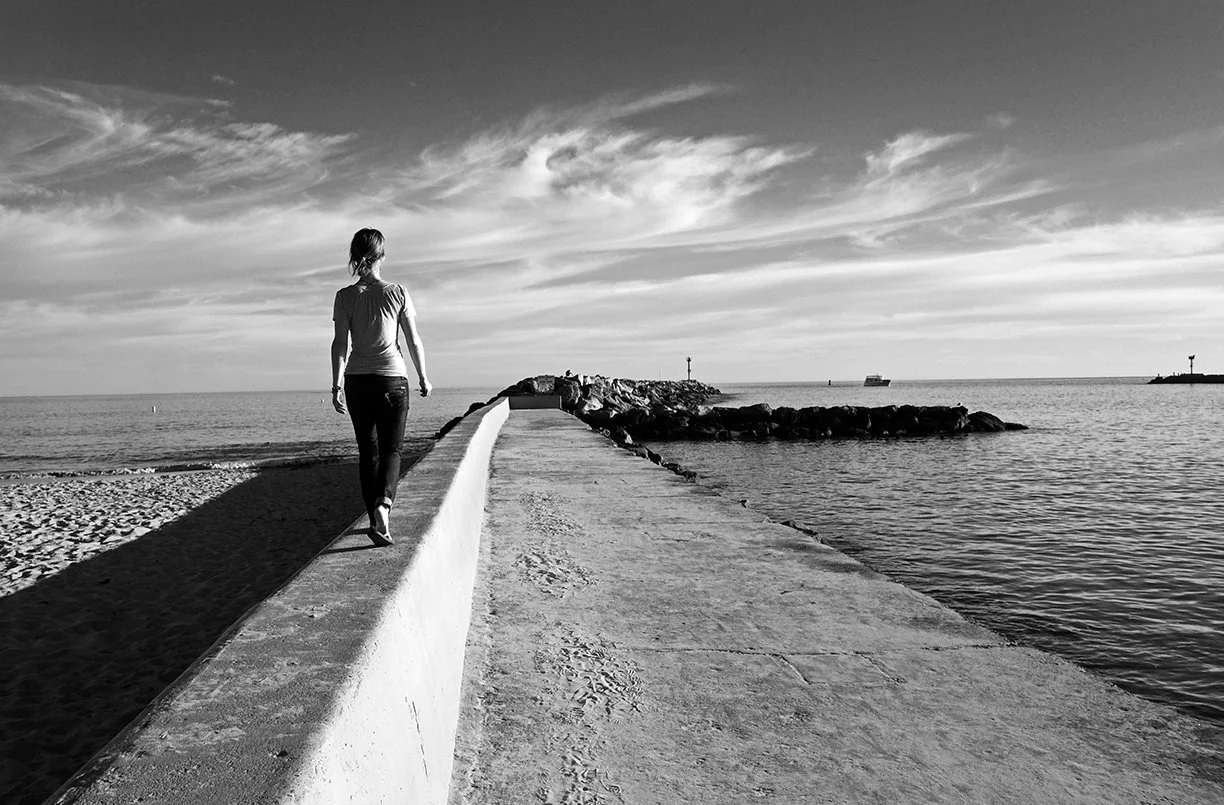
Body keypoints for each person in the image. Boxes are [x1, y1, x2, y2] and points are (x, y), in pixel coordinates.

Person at [330, 228, 432, 546]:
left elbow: (340, 344)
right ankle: (383, 506)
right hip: (393, 380)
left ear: (354, 256)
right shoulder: (398, 292)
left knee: (368, 452)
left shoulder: (345, 296)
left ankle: (373, 513)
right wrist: (423, 377)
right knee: (392, 450)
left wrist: (335, 384)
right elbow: (413, 340)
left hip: (356, 381)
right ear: (382, 256)